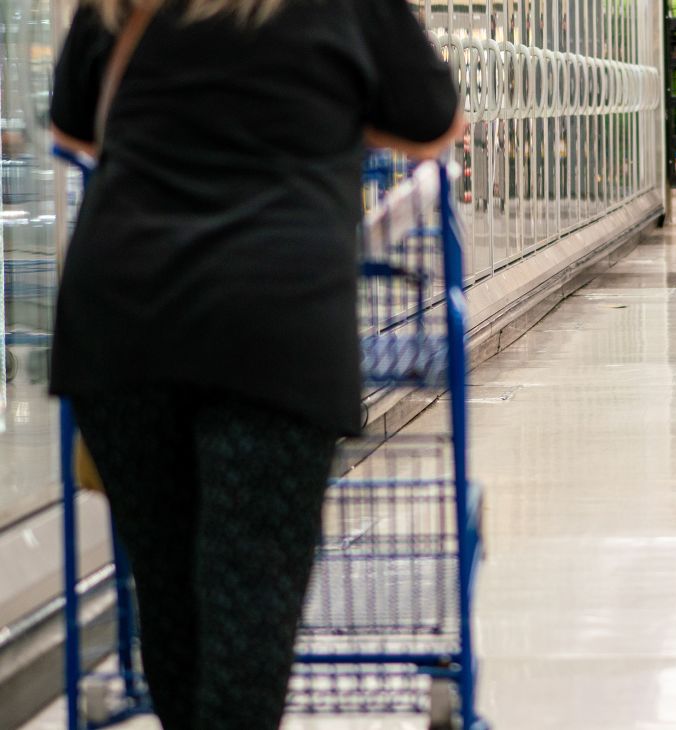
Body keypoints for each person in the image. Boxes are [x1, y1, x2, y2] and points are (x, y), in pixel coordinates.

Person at [49, 1, 462, 728]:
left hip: (123, 318)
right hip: (272, 323)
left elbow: (73, 129)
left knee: (171, 610)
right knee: (247, 619)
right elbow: (433, 125)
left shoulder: (117, 5)